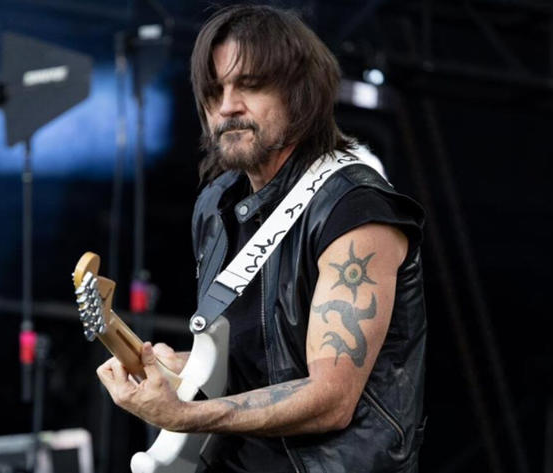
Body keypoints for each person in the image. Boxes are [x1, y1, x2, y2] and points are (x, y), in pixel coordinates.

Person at [97, 4, 427, 472]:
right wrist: (181, 369)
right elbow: (254, 364)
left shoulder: (355, 209)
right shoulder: (217, 205)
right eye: (215, 90)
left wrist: (185, 415)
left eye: (249, 85)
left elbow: (330, 397)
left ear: (300, 93)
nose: (227, 106)